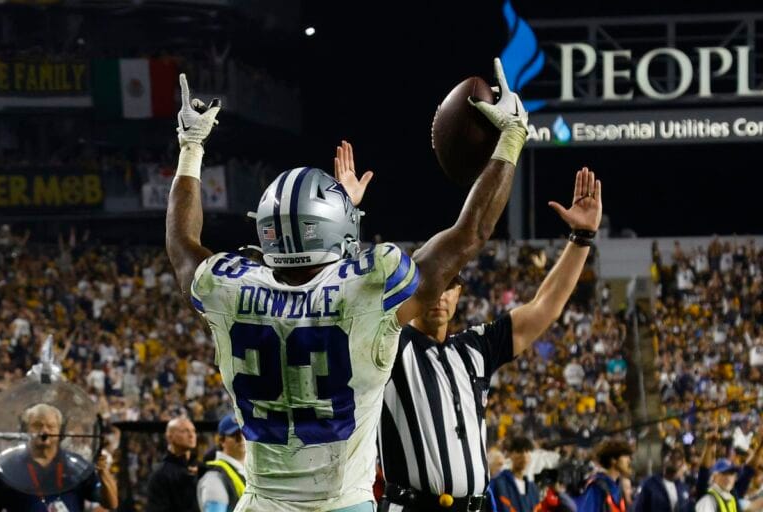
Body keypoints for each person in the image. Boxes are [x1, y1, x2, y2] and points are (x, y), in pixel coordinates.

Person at [166, 56, 528, 512]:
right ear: (339, 227)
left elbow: (181, 245)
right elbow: (469, 233)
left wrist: (191, 145)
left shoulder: (229, 287)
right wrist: (511, 137)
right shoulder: (371, 285)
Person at [377, 146, 603, 508]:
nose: (439, 295)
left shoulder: (474, 348)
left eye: (449, 284)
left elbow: (544, 307)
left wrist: (581, 239)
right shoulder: (387, 342)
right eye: (430, 285)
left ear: (460, 292)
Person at [0, 403, 118, 512]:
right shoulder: (6, 467)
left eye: (51, 426)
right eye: (37, 425)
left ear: (61, 431)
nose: (44, 431)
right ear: (25, 429)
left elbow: (111, 504)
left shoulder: (78, 465)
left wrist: (103, 473)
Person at [145, 416, 200, 512]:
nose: (191, 435)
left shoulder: (201, 467)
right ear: (169, 437)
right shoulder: (160, 474)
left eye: (193, 431)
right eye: (184, 431)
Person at [197, 413, 246, 512]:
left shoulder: (249, 470)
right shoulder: (214, 477)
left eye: (245, 433)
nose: (242, 440)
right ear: (222, 441)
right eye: (236, 435)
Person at [576, 439, 632, 512]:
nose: (629, 460)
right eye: (625, 456)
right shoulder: (597, 487)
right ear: (613, 460)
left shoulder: (619, 488)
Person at [488, 437, 540, 512]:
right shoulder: (497, 483)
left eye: (527, 451)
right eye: (519, 451)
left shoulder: (533, 489)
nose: (524, 455)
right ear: (510, 455)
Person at [633, 447, 691, 512]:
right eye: (670, 455)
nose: (674, 459)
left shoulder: (684, 488)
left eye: (678, 458)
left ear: (682, 463)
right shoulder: (650, 484)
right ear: (663, 460)